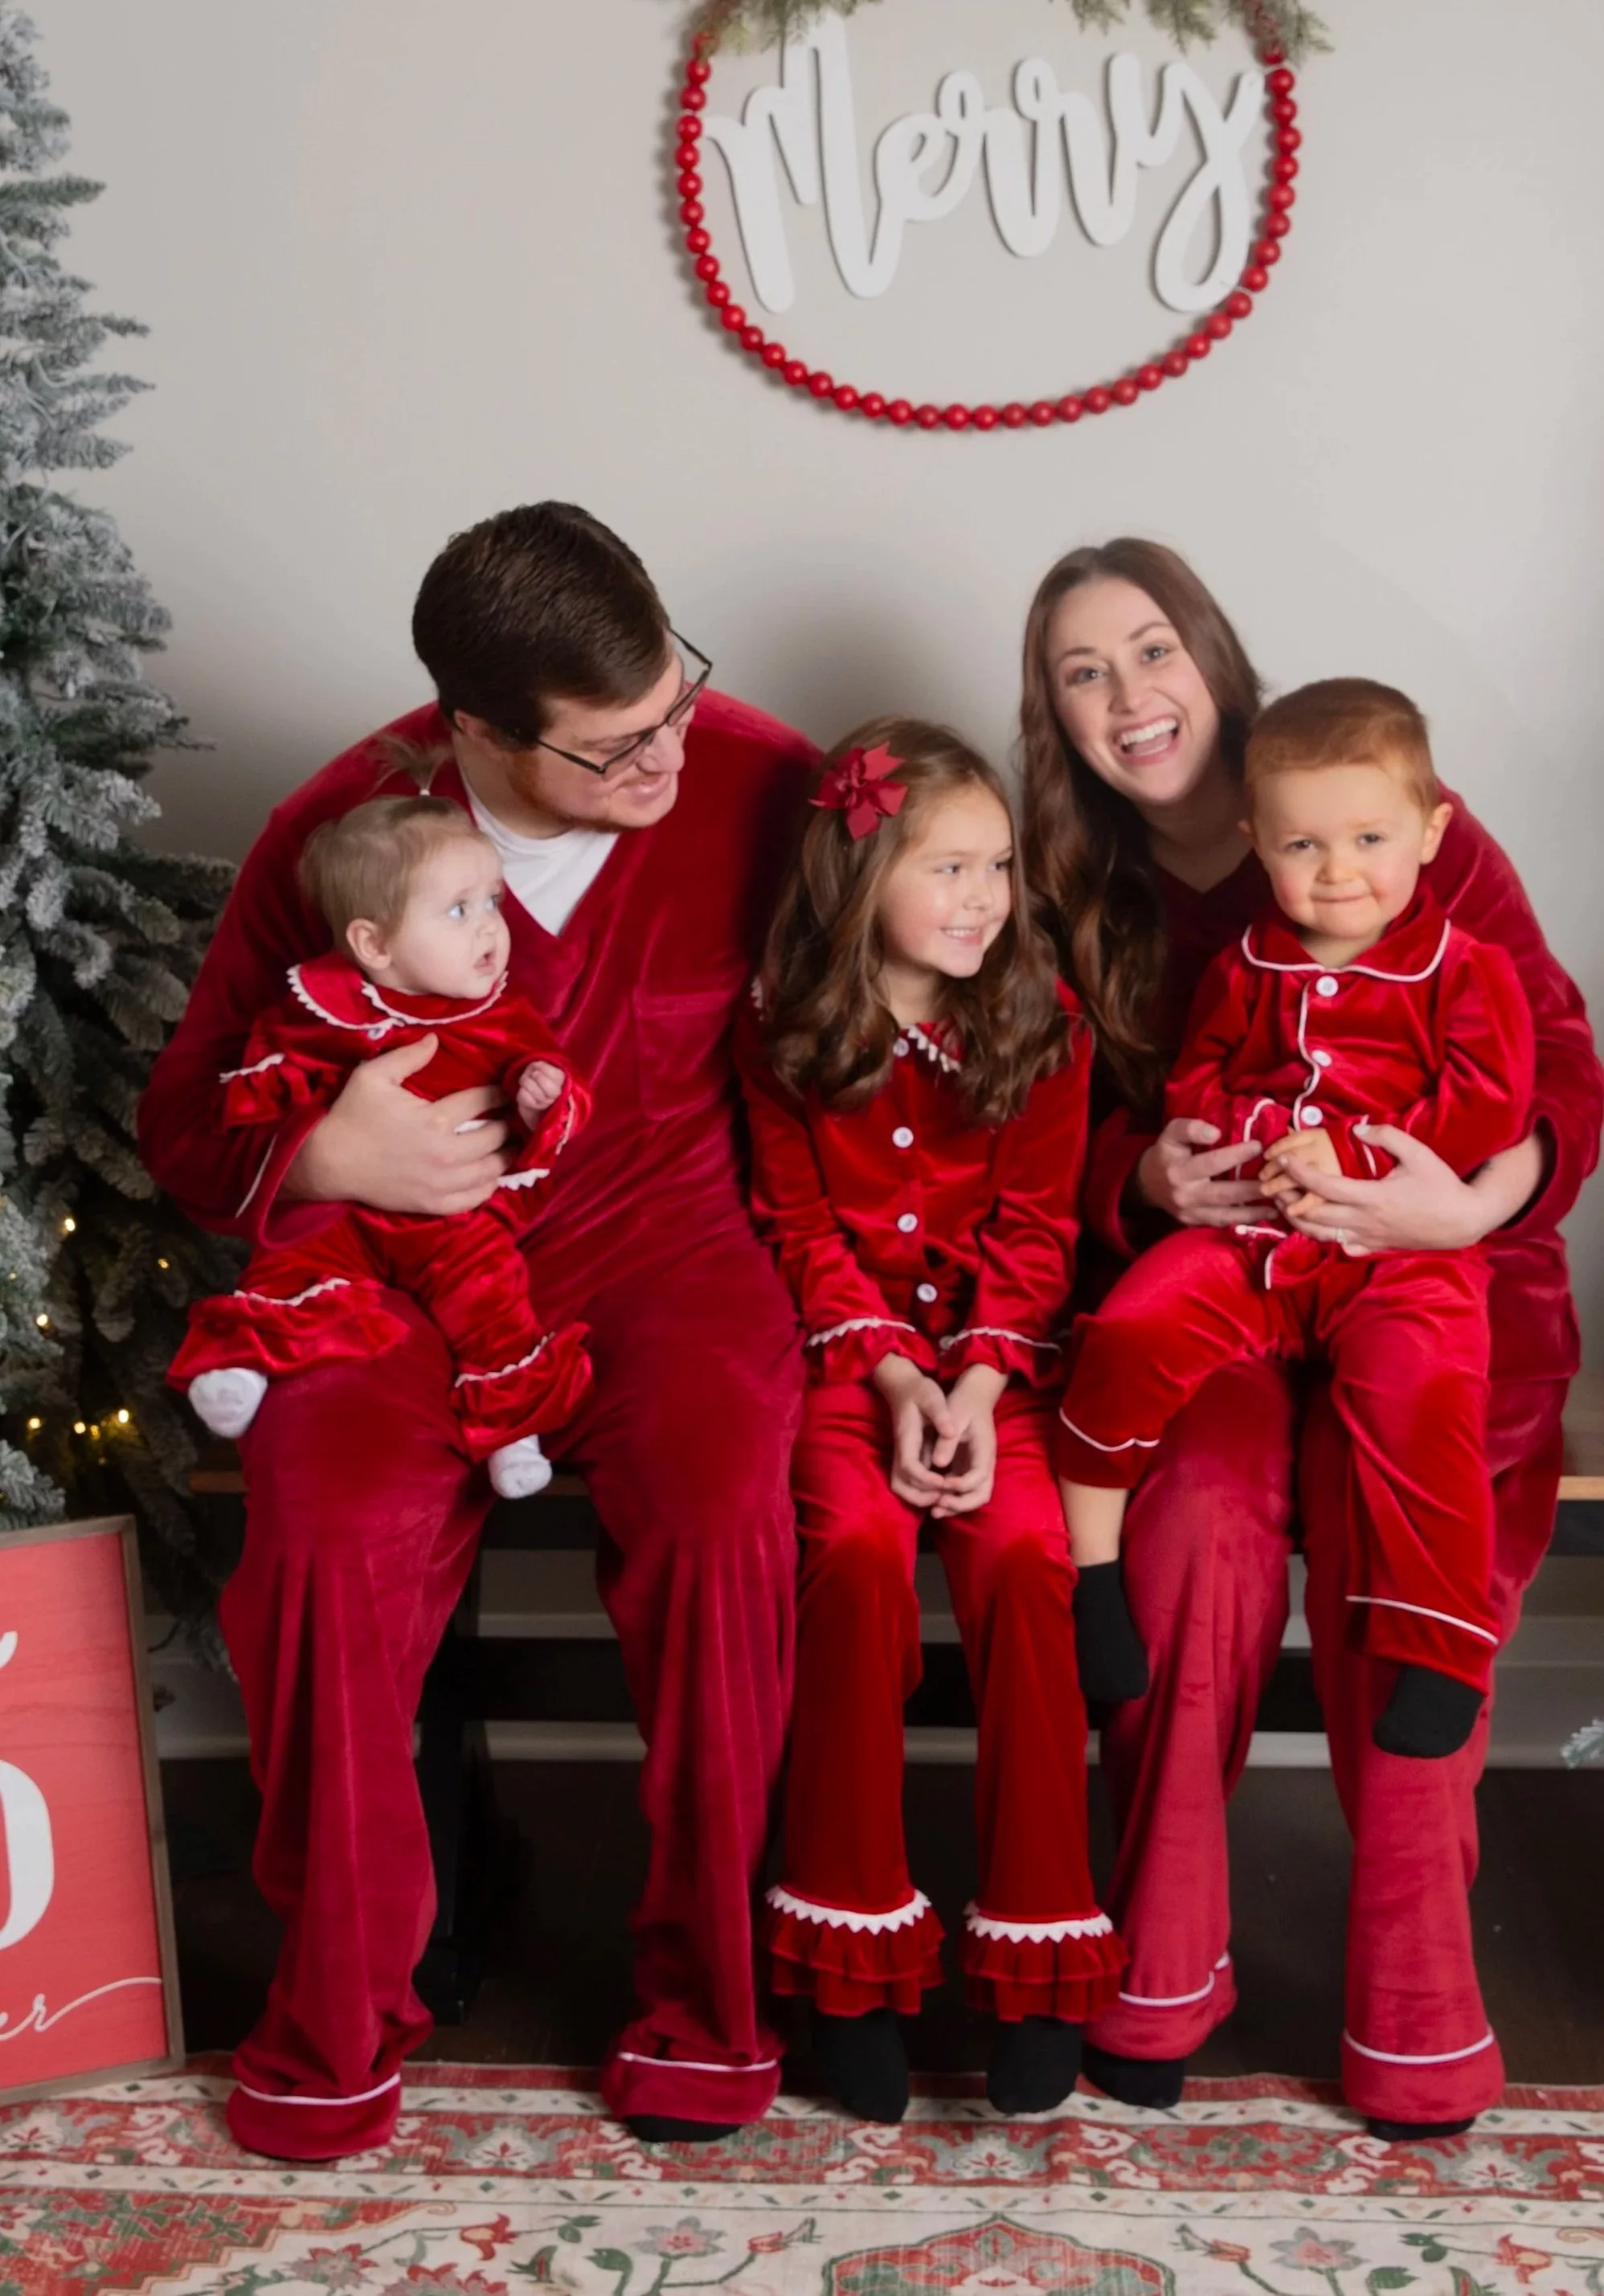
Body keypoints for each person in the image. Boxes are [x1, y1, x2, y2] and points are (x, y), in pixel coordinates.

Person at [139, 502, 813, 2158]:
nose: (665, 755)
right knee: (319, 1539)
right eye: (610, 750)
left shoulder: (762, 779)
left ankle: (709, 2003)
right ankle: (340, 2011)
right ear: (472, 731)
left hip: (671, 1248)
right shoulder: (341, 829)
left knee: (730, 1518)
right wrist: (315, 1151)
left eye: (673, 700)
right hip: (385, 1272)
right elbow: (183, 1125)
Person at [1020, 538, 1601, 2138]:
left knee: (1391, 1545)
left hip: (1429, 1277)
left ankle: (1416, 2012)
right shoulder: (1065, 886)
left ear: (1207, 650)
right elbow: (1031, 1128)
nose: (1128, 695)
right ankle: (1152, 1974)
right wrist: (1137, 1175)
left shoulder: (1378, 802)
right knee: (1190, 1523)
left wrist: (1459, 1205)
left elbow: (1546, 1059)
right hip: (1225, 1285)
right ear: (1052, 717)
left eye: (1148, 648)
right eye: (1081, 672)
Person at [737, 719, 1123, 2126]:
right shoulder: (783, 1024)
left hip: (1000, 1377)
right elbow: (795, 1222)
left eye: (999, 866)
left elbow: (1035, 1232)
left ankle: (1034, 1954)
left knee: (1028, 1564)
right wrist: (896, 1378)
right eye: (946, 865)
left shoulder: (1040, 1021)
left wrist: (967, 1382)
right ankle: (844, 1968)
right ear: (860, 871)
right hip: (852, 1372)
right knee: (846, 1552)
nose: (981, 896)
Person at [1056, 679, 1535, 1760]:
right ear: (1257, 845)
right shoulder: (1245, 967)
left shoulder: (1465, 971)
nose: (1338, 870)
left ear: (1431, 832)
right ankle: (1089, 1575)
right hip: (1252, 1234)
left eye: (1370, 837)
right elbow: (1198, 1076)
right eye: (1303, 846)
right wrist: (1243, 1129)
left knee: (1419, 1390)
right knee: (1132, 1326)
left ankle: (1443, 1649)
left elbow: (1488, 1106)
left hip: (1393, 1247)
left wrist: (1361, 1151)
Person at [169, 796, 592, 1500]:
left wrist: (540, 1092)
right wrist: (289, 1112)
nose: (490, 924)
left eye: (493, 899)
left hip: (456, 1220)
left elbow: (545, 1073)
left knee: (491, 1294)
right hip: (343, 1211)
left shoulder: (501, 1014)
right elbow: (262, 1086)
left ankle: (512, 1426)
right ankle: (246, 1361)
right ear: (374, 945)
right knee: (289, 1262)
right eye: (459, 909)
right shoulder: (320, 1007)